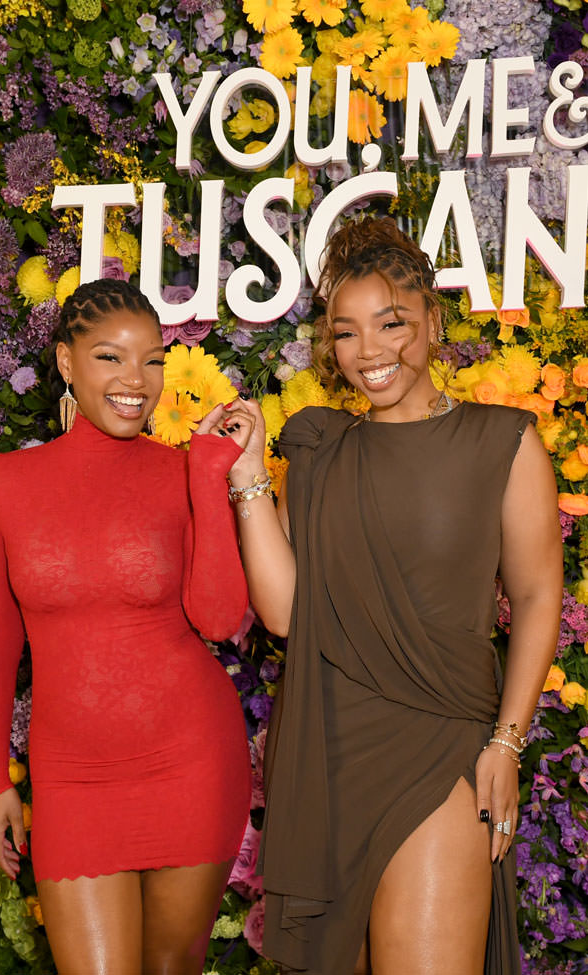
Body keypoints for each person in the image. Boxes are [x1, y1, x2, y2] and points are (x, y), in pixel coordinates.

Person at [219, 217, 563, 975]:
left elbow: (540, 596)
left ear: (432, 322)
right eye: (346, 332)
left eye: (391, 323)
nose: (369, 351)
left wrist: (507, 741)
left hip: (442, 746)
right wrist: (247, 475)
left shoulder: (502, 441)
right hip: (331, 753)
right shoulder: (317, 450)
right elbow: (284, 612)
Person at [0, 278, 251, 975]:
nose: (135, 381)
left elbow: (220, 620)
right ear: (66, 361)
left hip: (191, 761)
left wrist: (208, 480)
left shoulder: (182, 472)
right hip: (73, 780)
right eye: (109, 357)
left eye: (152, 360)